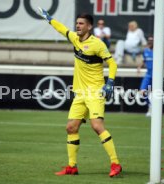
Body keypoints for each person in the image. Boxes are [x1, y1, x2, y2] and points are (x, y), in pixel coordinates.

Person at [37, 7, 122, 177]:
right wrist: (49, 19)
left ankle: (115, 164)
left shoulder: (97, 44)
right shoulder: (75, 39)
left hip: (95, 92)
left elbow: (112, 64)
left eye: (81, 23)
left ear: (89, 26)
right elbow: (62, 29)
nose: (78, 26)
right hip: (80, 93)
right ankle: (72, 166)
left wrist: (110, 83)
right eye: (77, 23)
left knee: (97, 126)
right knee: (71, 127)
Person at [137, 36, 153, 117]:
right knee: (142, 92)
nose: (150, 42)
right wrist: (139, 67)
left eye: (151, 40)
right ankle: (150, 105)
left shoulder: (158, 51)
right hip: (148, 74)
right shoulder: (146, 51)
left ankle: (152, 110)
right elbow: (144, 61)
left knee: (155, 93)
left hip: (156, 76)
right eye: (149, 40)